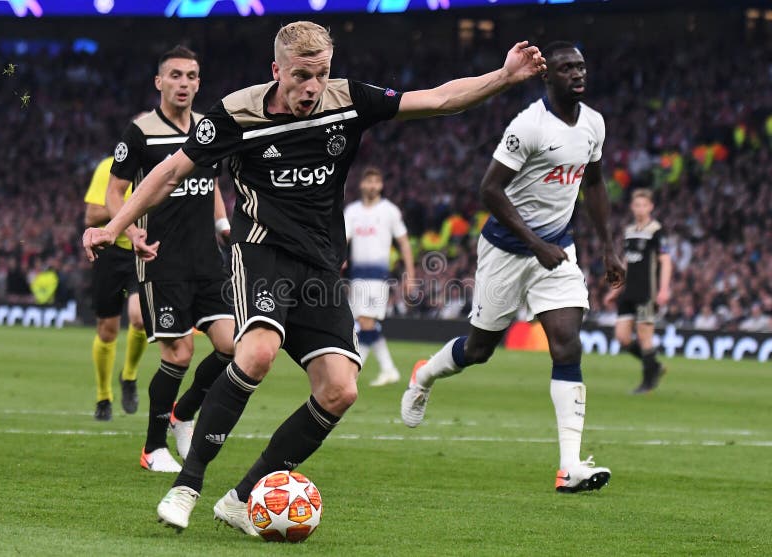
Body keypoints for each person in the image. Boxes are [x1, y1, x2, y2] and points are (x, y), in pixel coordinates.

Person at [83, 21, 545, 531]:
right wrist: (115, 227)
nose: (310, 88)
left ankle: (241, 498)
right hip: (259, 251)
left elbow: (437, 99)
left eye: (320, 75)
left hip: (320, 265)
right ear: (275, 70)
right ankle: (187, 486)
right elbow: (170, 171)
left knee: (340, 390)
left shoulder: (347, 99)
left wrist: (503, 77)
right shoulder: (235, 114)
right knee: (254, 352)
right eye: (300, 75)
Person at [400, 41, 625, 494]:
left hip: (557, 251)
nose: (577, 74)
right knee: (480, 350)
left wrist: (607, 246)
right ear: (548, 77)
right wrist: (534, 242)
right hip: (506, 251)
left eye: (581, 66)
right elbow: (490, 191)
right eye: (566, 68)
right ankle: (424, 375)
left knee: (566, 345)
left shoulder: (594, 124)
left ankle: (570, 467)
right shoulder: (528, 126)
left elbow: (595, 183)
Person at [106, 45, 235, 473]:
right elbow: (113, 192)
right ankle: (152, 447)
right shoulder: (140, 132)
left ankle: (184, 413)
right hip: (161, 260)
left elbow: (212, 183)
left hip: (207, 260)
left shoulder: (208, 128)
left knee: (234, 347)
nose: (184, 83)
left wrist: (223, 227)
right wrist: (130, 231)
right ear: (159, 82)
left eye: (192, 76)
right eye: (175, 75)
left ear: (199, 82)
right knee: (177, 355)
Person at [83, 155, 148, 421]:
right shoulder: (108, 167)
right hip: (109, 255)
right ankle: (103, 396)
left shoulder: (161, 166)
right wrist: (128, 208)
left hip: (141, 251)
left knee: (141, 318)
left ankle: (129, 376)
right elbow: (91, 214)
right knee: (107, 331)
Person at [344, 166, 415, 386]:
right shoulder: (352, 211)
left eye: (376, 181)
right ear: (362, 184)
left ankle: (361, 371)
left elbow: (403, 243)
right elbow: (343, 240)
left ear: (381, 185)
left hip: (377, 275)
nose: (372, 185)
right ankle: (385, 369)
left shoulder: (389, 211)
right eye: (369, 181)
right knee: (364, 322)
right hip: (357, 275)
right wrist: (339, 260)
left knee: (365, 320)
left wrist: (410, 275)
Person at [604, 188, 671, 394]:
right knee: (622, 337)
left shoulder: (657, 231)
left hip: (646, 291)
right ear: (632, 207)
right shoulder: (629, 231)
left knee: (644, 337)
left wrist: (663, 289)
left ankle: (647, 382)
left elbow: (666, 261)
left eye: (644, 205)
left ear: (651, 207)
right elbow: (626, 261)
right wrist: (615, 288)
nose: (640, 208)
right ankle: (655, 366)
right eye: (637, 205)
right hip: (629, 292)